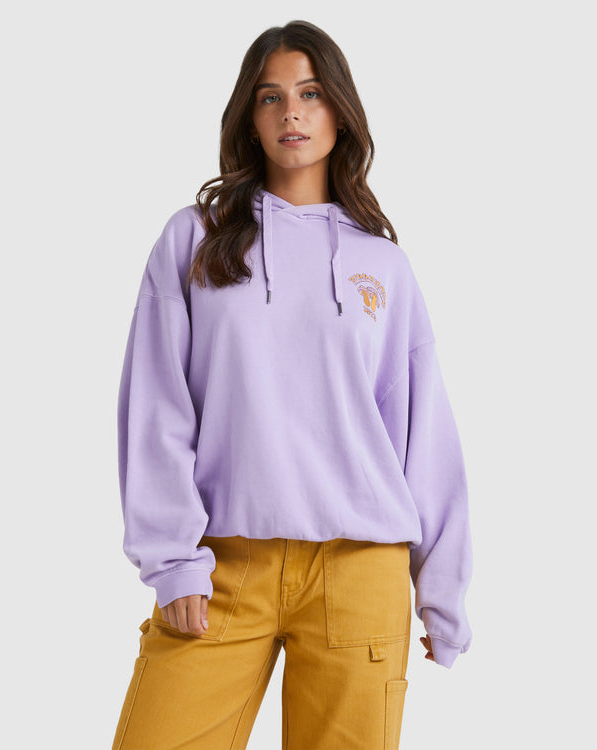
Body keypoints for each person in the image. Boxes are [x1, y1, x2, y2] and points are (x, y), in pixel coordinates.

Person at [112, 18, 473, 750]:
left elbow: (421, 431)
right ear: (250, 117)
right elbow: (157, 405)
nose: (292, 113)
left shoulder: (382, 265)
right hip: (222, 567)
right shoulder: (196, 239)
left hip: (360, 570)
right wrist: (174, 561)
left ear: (340, 110)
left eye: (310, 94)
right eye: (270, 97)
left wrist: (442, 591)